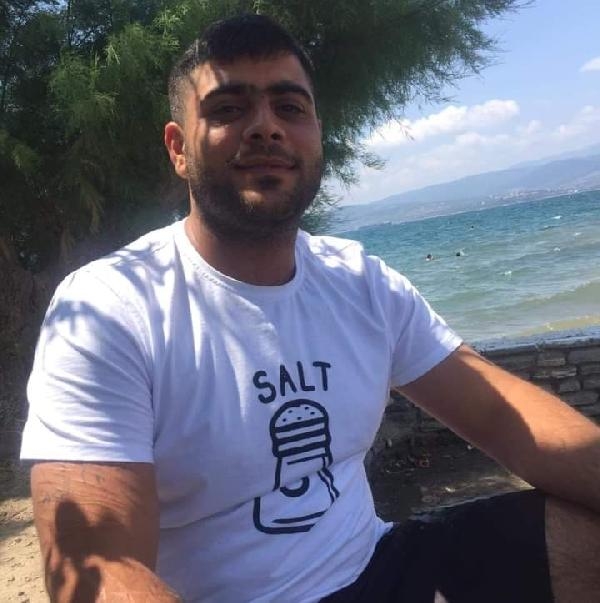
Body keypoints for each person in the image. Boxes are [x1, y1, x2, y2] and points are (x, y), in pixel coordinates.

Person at [21, 14, 600, 603]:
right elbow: (96, 563)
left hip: (379, 564)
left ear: (316, 133)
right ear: (178, 149)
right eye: (228, 109)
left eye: (290, 107)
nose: (265, 127)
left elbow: (503, 413)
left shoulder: (361, 282)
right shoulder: (109, 309)